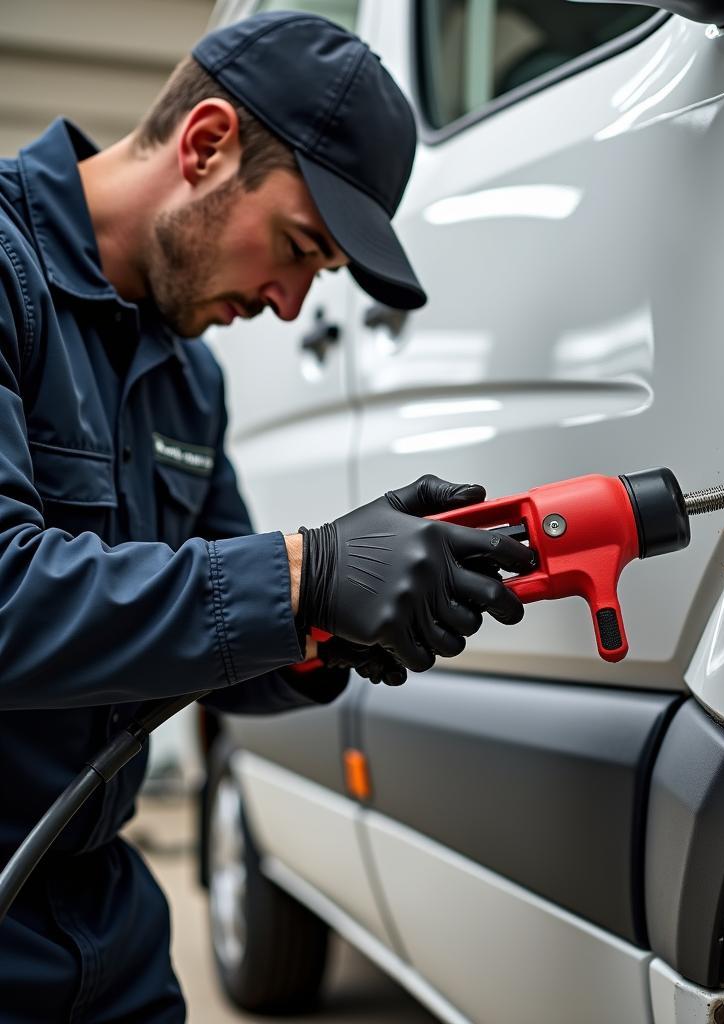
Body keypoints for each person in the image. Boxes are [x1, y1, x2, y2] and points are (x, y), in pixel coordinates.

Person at [0, 11, 534, 1020]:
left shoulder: (190, 382)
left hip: (104, 922)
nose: (292, 306)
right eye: (298, 246)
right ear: (205, 145)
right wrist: (307, 572)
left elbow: (214, 648)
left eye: (321, 272)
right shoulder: (5, 276)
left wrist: (327, 632)